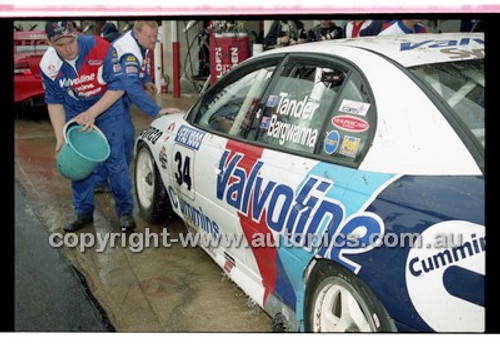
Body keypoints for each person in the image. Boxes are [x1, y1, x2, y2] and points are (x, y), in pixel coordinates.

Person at [39, 20, 136, 232]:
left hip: (107, 105)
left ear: (76, 35)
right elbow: (54, 101)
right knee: (78, 161)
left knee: (115, 160)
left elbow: (118, 87)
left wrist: (93, 113)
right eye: (60, 45)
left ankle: (125, 211)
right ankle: (83, 211)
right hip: (75, 108)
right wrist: (60, 138)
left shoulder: (99, 47)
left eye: (70, 42)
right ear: (50, 43)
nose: (67, 49)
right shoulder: (49, 64)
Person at [93, 20, 181, 192]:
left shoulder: (138, 43)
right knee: (124, 137)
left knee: (114, 138)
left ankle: (100, 181)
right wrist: (157, 110)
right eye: (150, 36)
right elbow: (131, 86)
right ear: (138, 33)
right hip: (110, 97)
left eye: (155, 37)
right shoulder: (129, 52)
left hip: (119, 94)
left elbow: (139, 66)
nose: (153, 41)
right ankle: (112, 182)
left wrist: (146, 79)